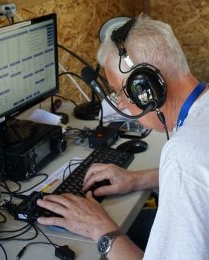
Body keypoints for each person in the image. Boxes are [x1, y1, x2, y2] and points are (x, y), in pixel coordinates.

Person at [37, 14, 209, 259]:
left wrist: (100, 228)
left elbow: (191, 169)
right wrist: (137, 179)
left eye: (121, 92)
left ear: (147, 88)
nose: (124, 106)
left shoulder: (184, 155)